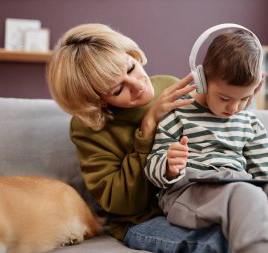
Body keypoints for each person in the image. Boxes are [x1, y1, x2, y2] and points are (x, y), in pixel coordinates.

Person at [145, 27, 268, 253]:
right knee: (244, 194)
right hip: (188, 191)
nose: (234, 108)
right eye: (224, 98)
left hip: (240, 186)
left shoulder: (249, 123)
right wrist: (168, 165)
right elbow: (153, 169)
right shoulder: (178, 112)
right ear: (203, 80)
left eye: (244, 98)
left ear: (257, 87)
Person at [46, 23, 228, 252]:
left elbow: (219, 134)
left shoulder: (169, 86)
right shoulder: (88, 129)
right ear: (99, 102)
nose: (138, 85)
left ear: (132, 55)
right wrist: (147, 128)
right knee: (220, 243)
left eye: (130, 68)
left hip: (192, 203)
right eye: (117, 90)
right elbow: (120, 203)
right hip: (141, 221)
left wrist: (242, 94)